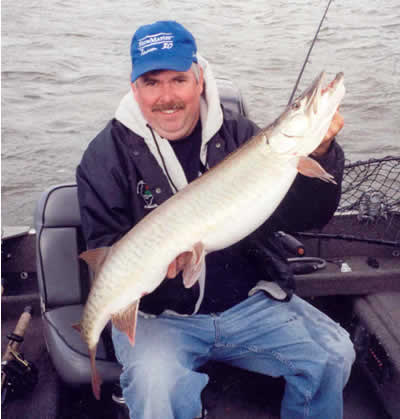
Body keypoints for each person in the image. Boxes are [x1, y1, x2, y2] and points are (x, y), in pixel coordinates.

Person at [76, 20, 355, 419]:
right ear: (134, 88)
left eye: (179, 80)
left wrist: (323, 151)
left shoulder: (243, 135)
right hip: (161, 318)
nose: (167, 97)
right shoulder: (104, 157)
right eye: (152, 83)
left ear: (200, 79)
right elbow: (105, 243)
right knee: (157, 388)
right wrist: (160, 272)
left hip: (247, 305)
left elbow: (307, 215)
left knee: (333, 354)